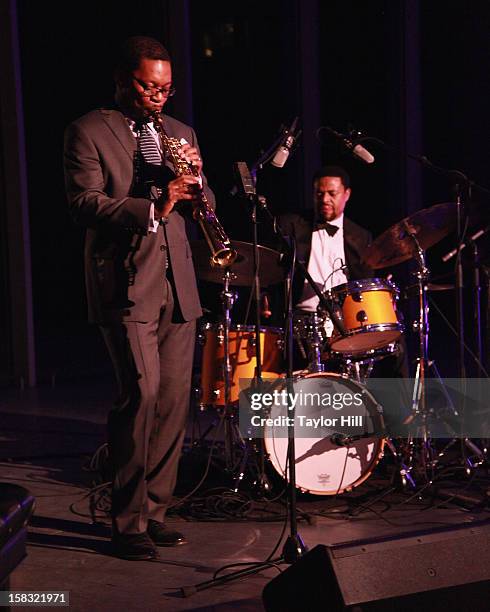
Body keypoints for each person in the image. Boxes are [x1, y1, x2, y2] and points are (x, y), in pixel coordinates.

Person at [64, 36, 214, 560]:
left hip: (179, 284)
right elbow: (85, 202)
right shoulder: (88, 130)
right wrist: (156, 201)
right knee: (142, 395)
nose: (159, 98)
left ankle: (154, 512)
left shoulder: (181, 132)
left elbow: (204, 202)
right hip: (126, 283)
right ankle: (126, 521)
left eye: (167, 89)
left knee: (174, 402)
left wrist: (195, 184)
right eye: (150, 87)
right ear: (124, 79)